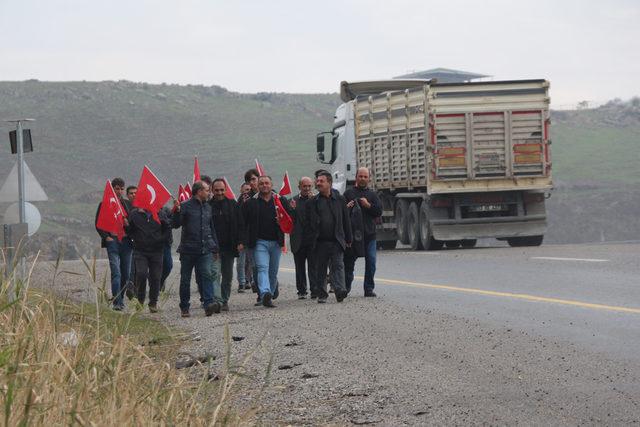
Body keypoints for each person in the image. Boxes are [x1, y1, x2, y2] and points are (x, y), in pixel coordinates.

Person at [242, 175, 292, 308]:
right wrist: (242, 241)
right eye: (262, 183)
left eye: (267, 183)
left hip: (276, 242)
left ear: (271, 184)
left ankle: (268, 294)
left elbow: (290, 217)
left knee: (273, 271)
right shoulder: (251, 202)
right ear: (258, 186)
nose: (264, 185)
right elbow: (243, 222)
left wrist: (282, 220)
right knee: (262, 268)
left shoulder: (280, 200)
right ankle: (265, 293)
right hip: (259, 242)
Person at [172, 180, 221, 317]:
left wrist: (215, 248)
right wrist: (176, 211)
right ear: (199, 191)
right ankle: (184, 307)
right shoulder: (185, 206)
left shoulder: (208, 207)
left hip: (205, 250)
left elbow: (211, 229)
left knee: (206, 275)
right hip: (188, 250)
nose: (209, 192)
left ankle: (208, 304)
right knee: (185, 279)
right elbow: (175, 224)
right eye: (207, 190)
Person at [304, 171, 352, 304]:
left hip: (336, 240)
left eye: (321, 181)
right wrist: (310, 241)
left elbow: (345, 220)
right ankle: (322, 294)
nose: (318, 183)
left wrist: (348, 238)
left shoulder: (340, 199)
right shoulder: (312, 202)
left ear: (329, 183)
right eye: (317, 181)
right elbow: (308, 224)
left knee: (338, 266)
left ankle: (340, 290)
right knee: (321, 268)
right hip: (320, 242)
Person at [95, 177, 133, 311]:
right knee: (116, 272)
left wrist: (128, 225)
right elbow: (98, 224)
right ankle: (117, 302)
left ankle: (120, 297)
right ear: (112, 188)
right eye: (117, 188)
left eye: (122, 189)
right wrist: (106, 237)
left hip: (126, 242)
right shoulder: (104, 204)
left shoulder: (128, 205)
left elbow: (132, 224)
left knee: (126, 274)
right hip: (113, 242)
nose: (120, 191)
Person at [343, 167, 382, 297]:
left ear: (369, 179)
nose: (363, 179)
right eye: (360, 176)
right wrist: (346, 208)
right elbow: (341, 212)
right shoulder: (348, 193)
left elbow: (378, 211)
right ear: (356, 177)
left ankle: (368, 289)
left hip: (369, 235)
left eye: (365, 177)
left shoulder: (373, 195)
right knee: (349, 263)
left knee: (371, 261)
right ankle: (346, 286)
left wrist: (368, 206)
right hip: (353, 236)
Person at [126, 205, 171, 313]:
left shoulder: (160, 214)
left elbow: (167, 229)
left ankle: (153, 302)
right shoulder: (134, 214)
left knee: (155, 277)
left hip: (157, 251)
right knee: (141, 274)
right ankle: (140, 300)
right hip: (140, 251)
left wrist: (161, 240)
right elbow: (129, 230)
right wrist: (131, 233)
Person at [210, 178, 245, 311]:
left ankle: (224, 300)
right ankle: (217, 301)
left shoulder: (233, 205)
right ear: (212, 190)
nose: (219, 192)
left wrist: (241, 241)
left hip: (229, 247)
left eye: (221, 190)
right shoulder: (208, 206)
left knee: (227, 276)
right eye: (216, 190)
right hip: (214, 248)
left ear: (225, 190)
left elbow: (241, 224)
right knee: (214, 274)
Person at [290, 177, 316, 299]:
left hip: (312, 240)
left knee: (313, 266)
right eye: (304, 186)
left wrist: (313, 202)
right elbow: (289, 220)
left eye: (309, 186)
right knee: (299, 267)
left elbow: (318, 217)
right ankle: (301, 291)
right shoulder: (292, 201)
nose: (307, 188)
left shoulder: (317, 200)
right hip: (298, 240)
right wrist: (292, 210)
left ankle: (315, 290)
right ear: (299, 187)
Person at [240, 169, 260, 296]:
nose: (252, 182)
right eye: (249, 180)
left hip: (268, 236)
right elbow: (240, 220)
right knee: (256, 265)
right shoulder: (245, 199)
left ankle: (269, 286)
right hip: (251, 237)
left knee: (267, 266)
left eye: (254, 179)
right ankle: (260, 290)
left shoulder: (271, 194)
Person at [235, 182, 252, 292]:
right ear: (241, 191)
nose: (247, 192)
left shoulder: (254, 202)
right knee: (240, 262)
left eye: (249, 190)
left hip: (251, 237)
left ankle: (248, 280)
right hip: (241, 237)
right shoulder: (237, 204)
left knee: (250, 262)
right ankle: (241, 283)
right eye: (245, 190)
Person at [160, 205, 174, 292]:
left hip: (165, 242)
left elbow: (174, 222)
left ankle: (161, 280)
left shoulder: (166, 210)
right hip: (150, 242)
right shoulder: (147, 209)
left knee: (168, 265)